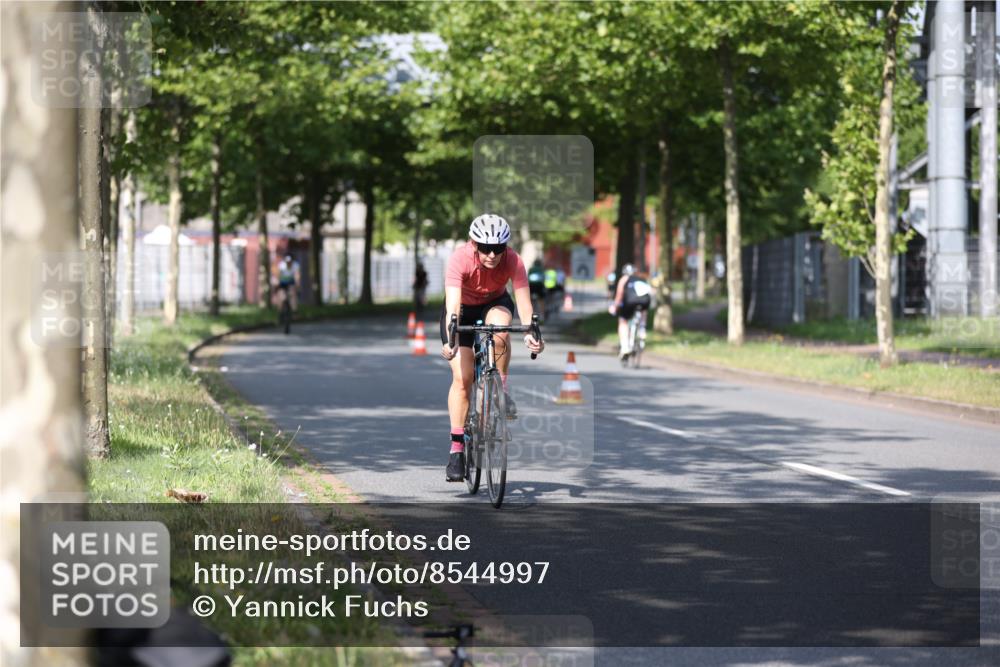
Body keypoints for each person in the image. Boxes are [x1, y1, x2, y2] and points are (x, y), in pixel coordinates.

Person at [439, 214, 544, 482]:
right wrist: (450, 341)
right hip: (461, 309)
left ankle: (501, 389)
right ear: (474, 244)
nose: (492, 254)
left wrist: (531, 333)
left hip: (495, 303)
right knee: (463, 380)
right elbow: (451, 304)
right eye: (485, 248)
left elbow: (523, 302)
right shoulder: (459, 258)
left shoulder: (513, 260)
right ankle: (457, 449)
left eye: (498, 248)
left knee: (500, 332)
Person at [612, 263, 652, 362]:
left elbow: (619, 295)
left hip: (630, 302)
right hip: (644, 302)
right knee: (643, 311)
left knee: (623, 321)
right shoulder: (641, 278)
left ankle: (625, 347)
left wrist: (615, 306)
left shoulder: (624, 279)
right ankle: (642, 329)